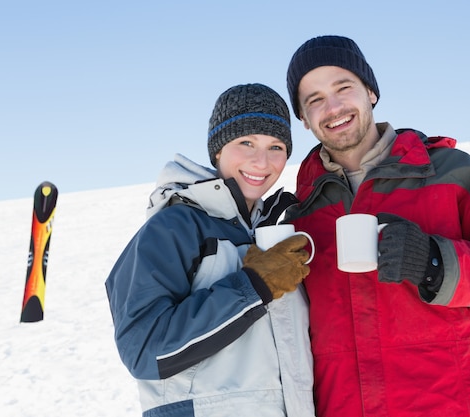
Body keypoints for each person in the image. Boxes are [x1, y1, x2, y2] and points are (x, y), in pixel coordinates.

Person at [283, 35, 470, 417]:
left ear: (370, 92)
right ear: (304, 120)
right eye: (314, 100)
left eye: (344, 88)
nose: (333, 107)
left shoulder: (451, 173)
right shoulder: (300, 212)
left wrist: (435, 263)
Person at [105, 83, 315, 417]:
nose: (262, 160)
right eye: (246, 142)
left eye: (276, 146)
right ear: (217, 149)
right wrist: (253, 288)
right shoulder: (174, 227)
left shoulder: (275, 233)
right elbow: (143, 350)